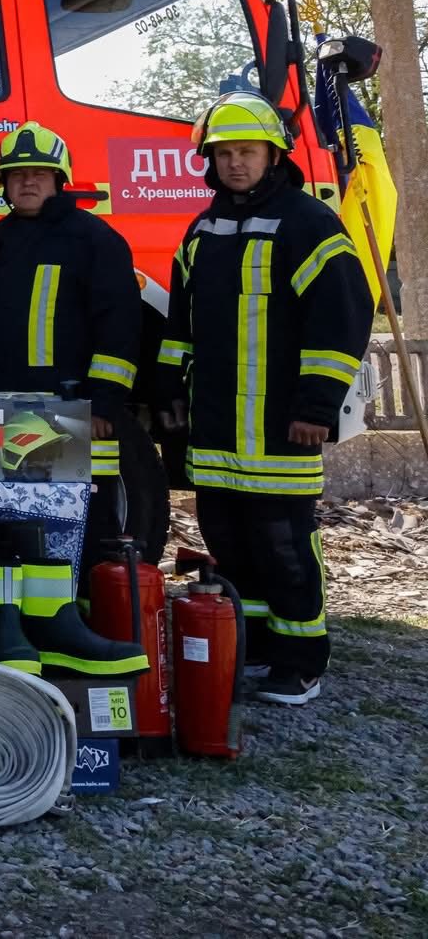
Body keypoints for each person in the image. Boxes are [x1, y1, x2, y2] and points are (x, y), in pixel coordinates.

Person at [156, 92, 371, 706]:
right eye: (224, 153)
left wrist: (316, 407)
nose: (235, 163)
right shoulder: (203, 229)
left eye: (247, 152)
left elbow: (341, 320)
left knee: (285, 548)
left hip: (281, 429)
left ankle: (301, 660)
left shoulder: (308, 223)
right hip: (217, 431)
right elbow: (180, 324)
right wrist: (169, 390)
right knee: (230, 543)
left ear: (274, 155)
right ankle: (254, 646)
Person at [0, 123, 143, 552]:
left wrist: (103, 402)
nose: (28, 182)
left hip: (73, 410)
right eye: (17, 174)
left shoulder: (94, 240)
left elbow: (120, 325)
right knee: (8, 520)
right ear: (4, 184)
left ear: (59, 180)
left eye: (39, 174)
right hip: (3, 405)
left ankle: (83, 594)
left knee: (82, 524)